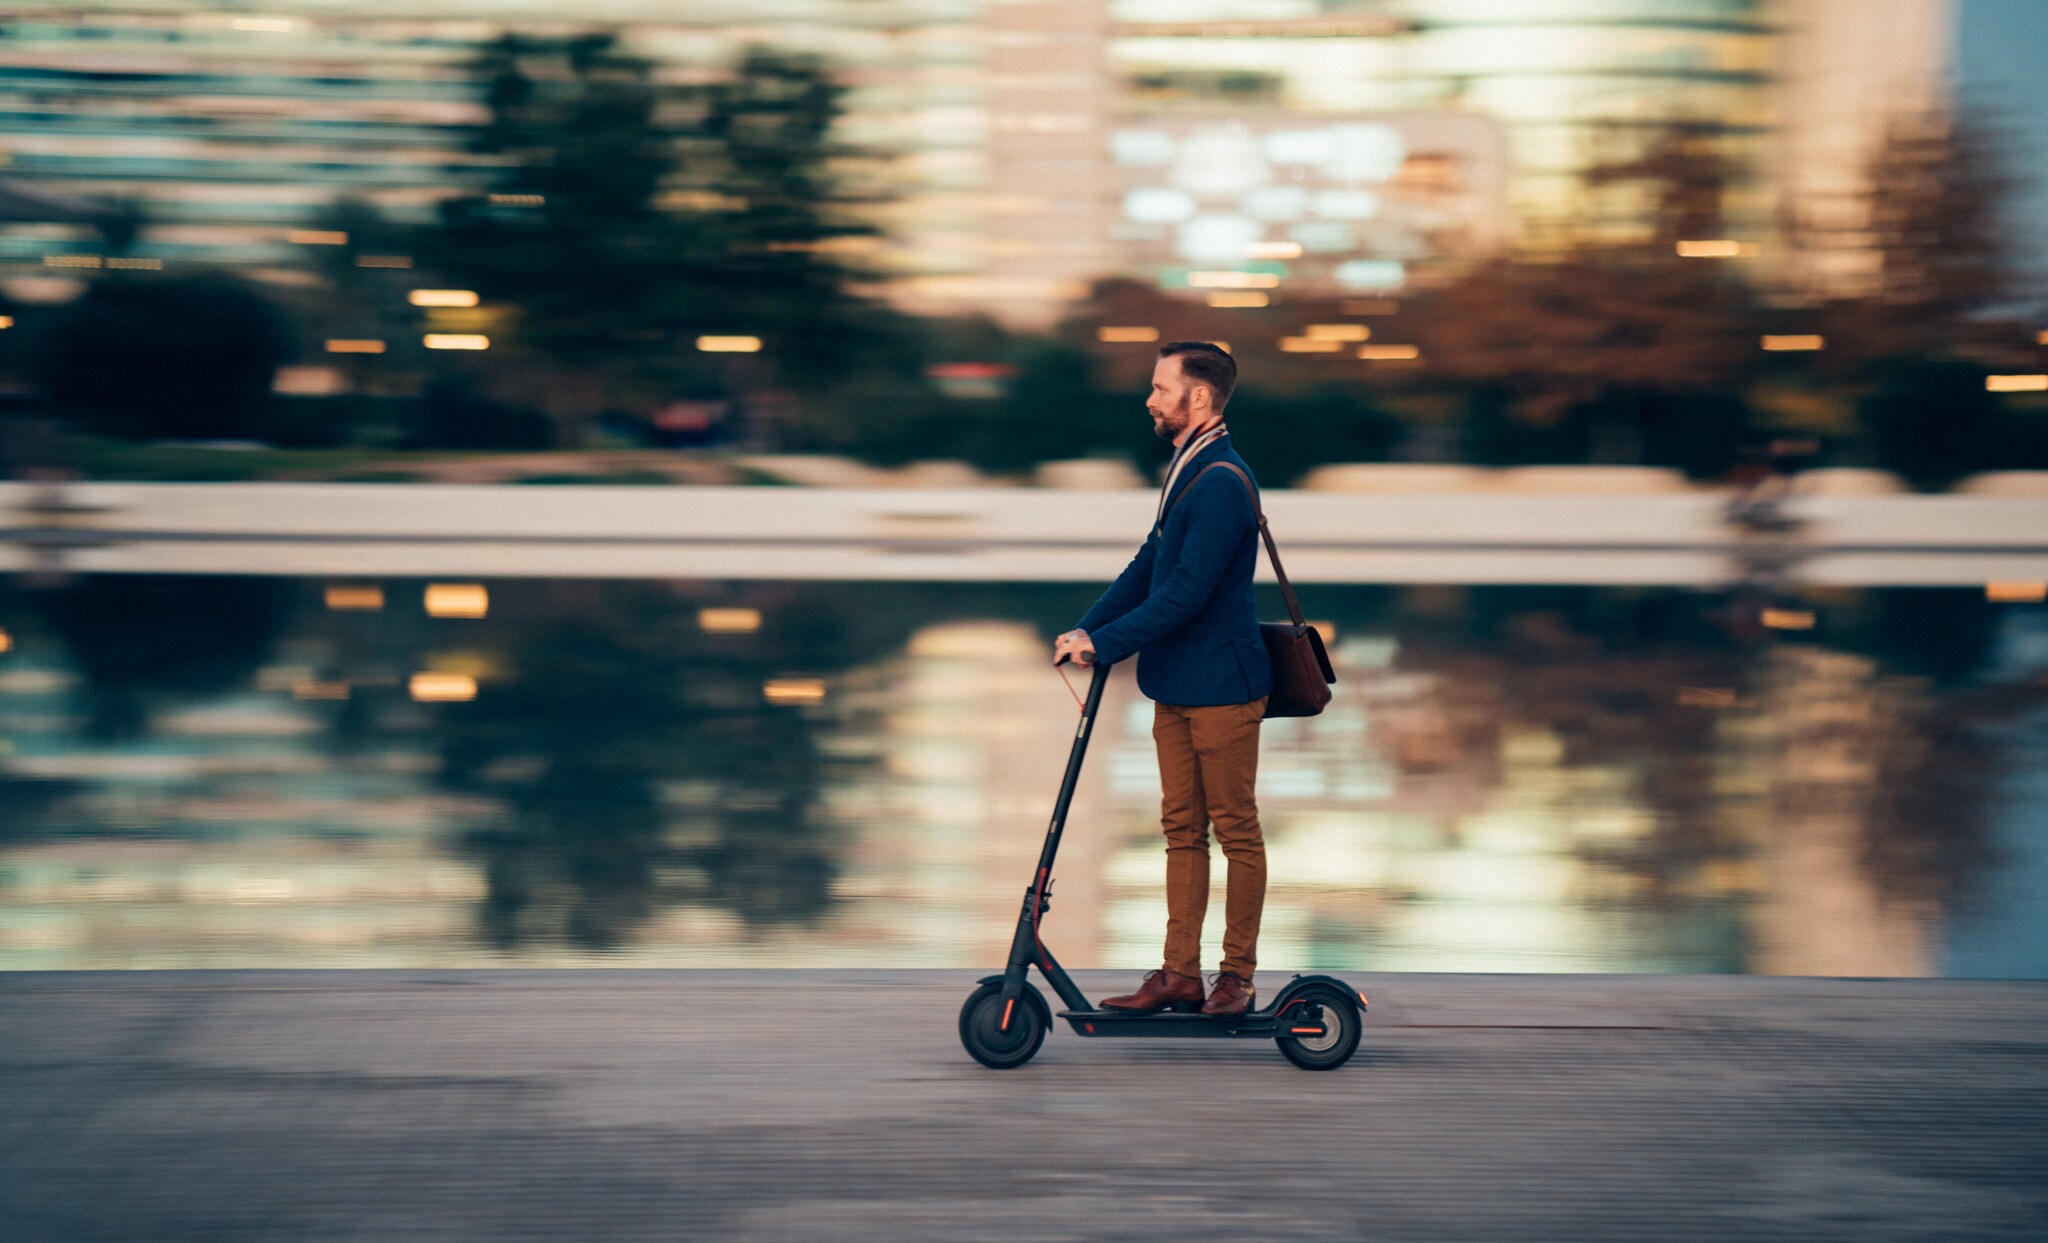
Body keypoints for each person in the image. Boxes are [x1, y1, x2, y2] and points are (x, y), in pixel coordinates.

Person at [1052, 340, 1271, 1018]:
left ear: (1197, 397)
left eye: (1160, 386)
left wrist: (1108, 643)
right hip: (1175, 681)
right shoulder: (1188, 466)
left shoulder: (1223, 481)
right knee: (1181, 827)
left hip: (1224, 688)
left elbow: (1185, 593)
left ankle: (1235, 975)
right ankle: (1180, 974)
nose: (1149, 398)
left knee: (1235, 828)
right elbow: (1147, 566)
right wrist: (1086, 630)